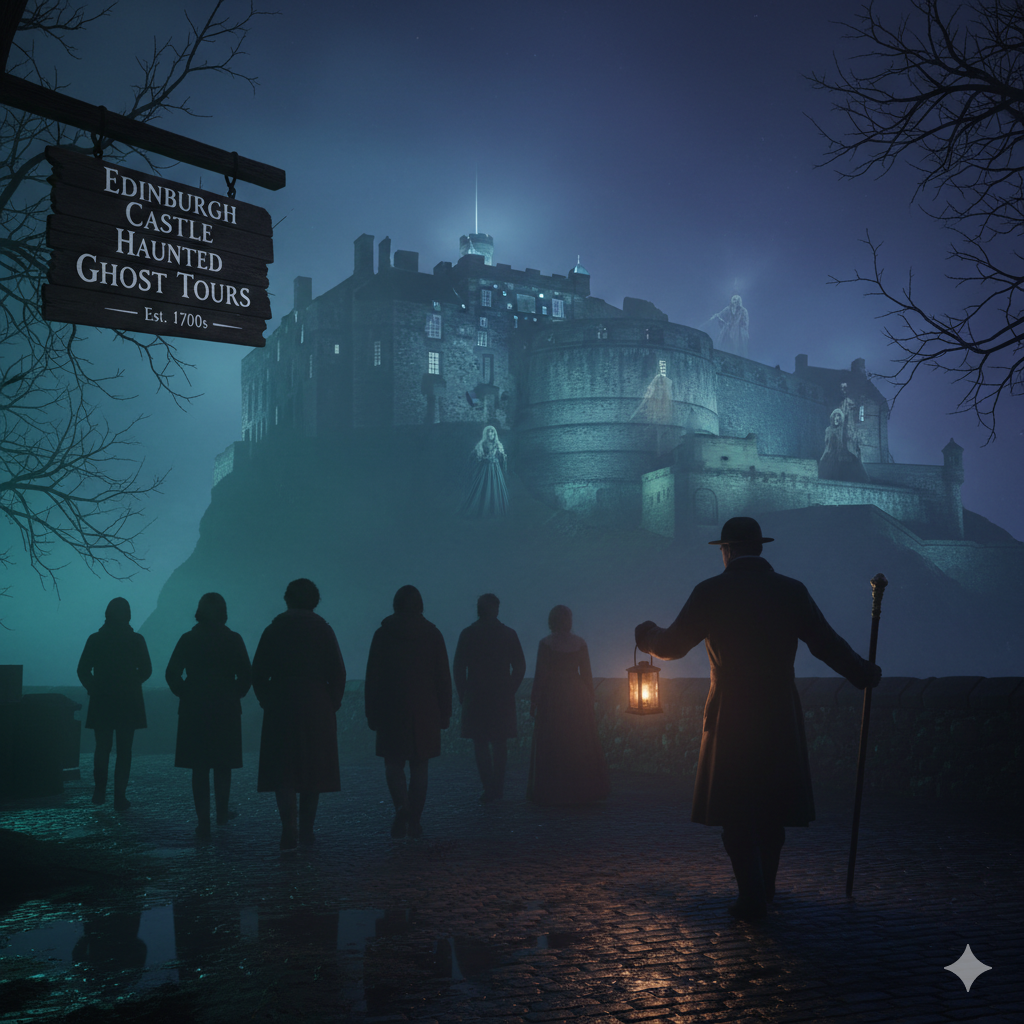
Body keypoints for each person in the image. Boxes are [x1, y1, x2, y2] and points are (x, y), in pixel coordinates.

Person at [634, 516, 881, 920]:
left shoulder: (711, 591)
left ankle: (751, 896)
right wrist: (862, 674)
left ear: (726, 550)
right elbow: (827, 644)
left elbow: (672, 645)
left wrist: (645, 634)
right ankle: (766, 889)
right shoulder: (790, 591)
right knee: (771, 803)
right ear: (760, 548)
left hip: (731, 710)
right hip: (778, 709)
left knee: (736, 805)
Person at [252, 579, 346, 851]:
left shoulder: (274, 630)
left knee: (284, 769)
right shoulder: (324, 631)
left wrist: (267, 699)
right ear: (314, 601)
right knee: (312, 770)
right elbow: (338, 672)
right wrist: (332, 703)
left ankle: (288, 826)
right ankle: (306, 828)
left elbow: (258, 672)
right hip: (317, 705)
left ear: (288, 599)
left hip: (281, 703)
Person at [364, 585, 452, 838]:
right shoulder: (433, 635)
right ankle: (415, 820)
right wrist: (445, 711)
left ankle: (402, 805)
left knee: (393, 763)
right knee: (420, 765)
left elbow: (373, 677)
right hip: (425, 708)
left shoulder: (383, 634)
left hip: (391, 707)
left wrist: (371, 712)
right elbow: (442, 677)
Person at [165, 592, 252, 838]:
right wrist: (234, 694)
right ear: (223, 612)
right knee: (223, 765)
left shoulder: (188, 639)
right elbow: (246, 674)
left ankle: (203, 820)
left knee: (199, 766)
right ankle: (222, 814)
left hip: (195, 708)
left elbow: (172, 673)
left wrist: (186, 693)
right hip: (225, 707)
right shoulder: (233, 639)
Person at [526, 605, 610, 806]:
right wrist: (590, 696)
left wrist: (534, 700)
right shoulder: (579, 643)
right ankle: (582, 788)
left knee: (555, 739)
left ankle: (555, 789)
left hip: (554, 695)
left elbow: (541, 675)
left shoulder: (546, 644)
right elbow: (587, 674)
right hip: (576, 693)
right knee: (579, 739)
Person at [77, 597, 152, 810]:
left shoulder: (95, 639)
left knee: (102, 747)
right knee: (124, 750)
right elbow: (146, 670)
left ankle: (100, 790)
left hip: (102, 700)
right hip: (128, 701)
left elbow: (82, 670)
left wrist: (94, 687)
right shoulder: (136, 640)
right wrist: (132, 682)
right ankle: (120, 795)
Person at [453, 593, 527, 802]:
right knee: (500, 743)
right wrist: (510, 688)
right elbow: (520, 666)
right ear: (496, 609)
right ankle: (498, 787)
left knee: (480, 743)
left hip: (476, 695)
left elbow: (459, 667)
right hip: (500, 696)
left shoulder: (468, 634)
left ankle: (488, 787)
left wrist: (463, 693)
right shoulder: (508, 634)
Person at [460, 424, 510, 517]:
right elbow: (473, 455)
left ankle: (494, 509)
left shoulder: (498, 444)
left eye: (492, 432)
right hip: (485, 469)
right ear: (485, 434)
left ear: (494, 434)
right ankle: (482, 508)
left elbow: (502, 457)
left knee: (495, 487)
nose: (490, 434)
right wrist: (482, 458)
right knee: (484, 487)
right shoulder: (481, 444)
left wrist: (503, 458)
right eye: (488, 432)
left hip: (495, 469)